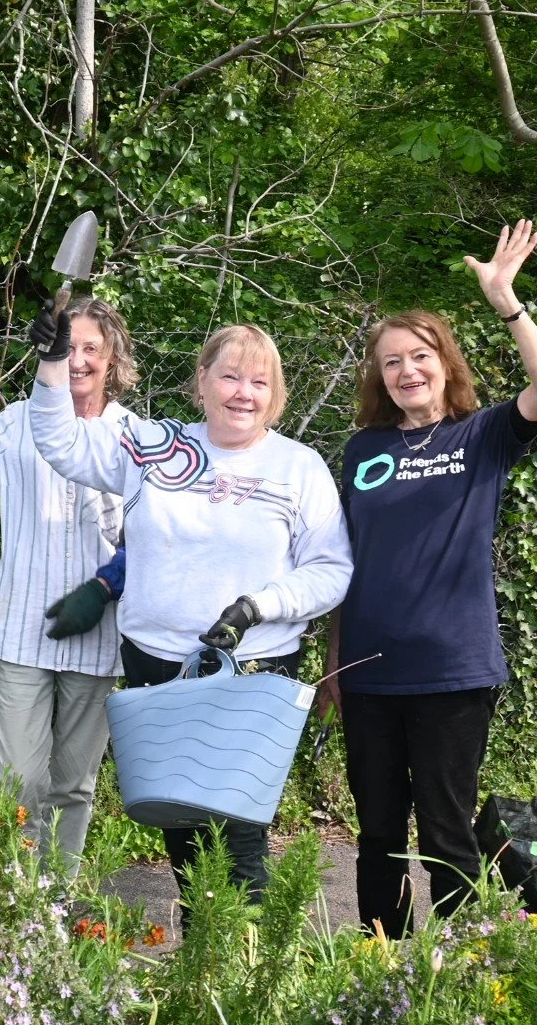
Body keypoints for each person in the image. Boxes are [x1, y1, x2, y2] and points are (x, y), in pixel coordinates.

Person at [28, 314, 352, 906]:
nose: (242, 394)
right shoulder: (156, 447)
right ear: (201, 381)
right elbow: (59, 443)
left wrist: (259, 606)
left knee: (239, 831)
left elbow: (332, 571)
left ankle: (246, 972)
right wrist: (52, 365)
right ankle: (204, 974)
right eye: (230, 377)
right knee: (181, 828)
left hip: (250, 671)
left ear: (275, 394)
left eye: (259, 383)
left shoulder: (298, 467)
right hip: (156, 665)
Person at [320, 220, 537, 937]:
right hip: (368, 675)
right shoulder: (363, 449)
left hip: (452, 673)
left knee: (445, 830)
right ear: (380, 376)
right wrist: (335, 663)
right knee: (376, 834)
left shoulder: (483, 435)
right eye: (391, 361)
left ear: (444, 363)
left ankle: (458, 967)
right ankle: (380, 966)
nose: (406, 371)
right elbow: (349, 560)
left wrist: (506, 301)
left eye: (419, 356)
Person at [0, 297, 138, 870]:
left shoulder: (136, 438)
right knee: (18, 787)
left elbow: (154, 538)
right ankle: (14, 912)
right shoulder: (15, 422)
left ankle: (59, 907)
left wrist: (104, 585)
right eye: (69, 346)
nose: (79, 360)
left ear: (112, 357)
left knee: (73, 785)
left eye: (92, 348)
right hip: (22, 628)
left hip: (97, 635)